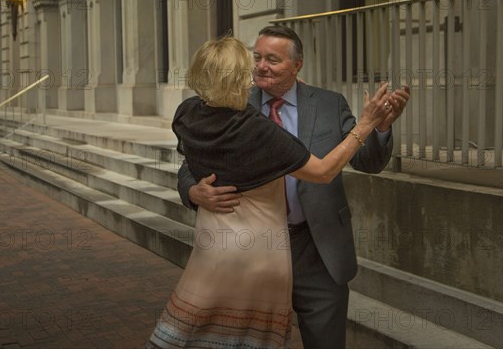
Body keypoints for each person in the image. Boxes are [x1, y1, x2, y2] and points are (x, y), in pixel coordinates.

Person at [148, 35, 394, 349]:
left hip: (311, 249)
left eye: (272, 60)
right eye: (255, 59)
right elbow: (322, 171)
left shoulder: (187, 112)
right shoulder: (253, 126)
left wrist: (381, 129)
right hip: (256, 257)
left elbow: (368, 162)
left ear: (297, 66)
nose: (261, 67)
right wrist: (193, 192)